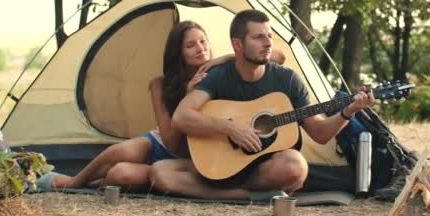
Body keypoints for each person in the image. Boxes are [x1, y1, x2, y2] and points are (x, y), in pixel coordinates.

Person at [148, 9, 374, 200]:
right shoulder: (218, 76)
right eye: (258, 38)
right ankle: (249, 195)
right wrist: (231, 128)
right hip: (221, 161)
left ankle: (225, 192)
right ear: (237, 44)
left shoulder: (287, 80)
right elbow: (181, 117)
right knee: (160, 172)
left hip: (264, 169)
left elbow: (319, 133)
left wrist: (348, 112)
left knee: (296, 166)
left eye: (269, 36)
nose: (267, 43)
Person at [38, 20, 286, 191]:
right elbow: (169, 141)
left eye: (203, 42)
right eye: (191, 45)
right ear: (178, 53)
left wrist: (228, 56)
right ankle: (71, 182)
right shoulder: (160, 85)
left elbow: (278, 57)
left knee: (119, 174)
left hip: (196, 154)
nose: (201, 49)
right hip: (164, 144)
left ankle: (100, 183)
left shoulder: (222, 72)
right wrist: (187, 95)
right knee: (123, 152)